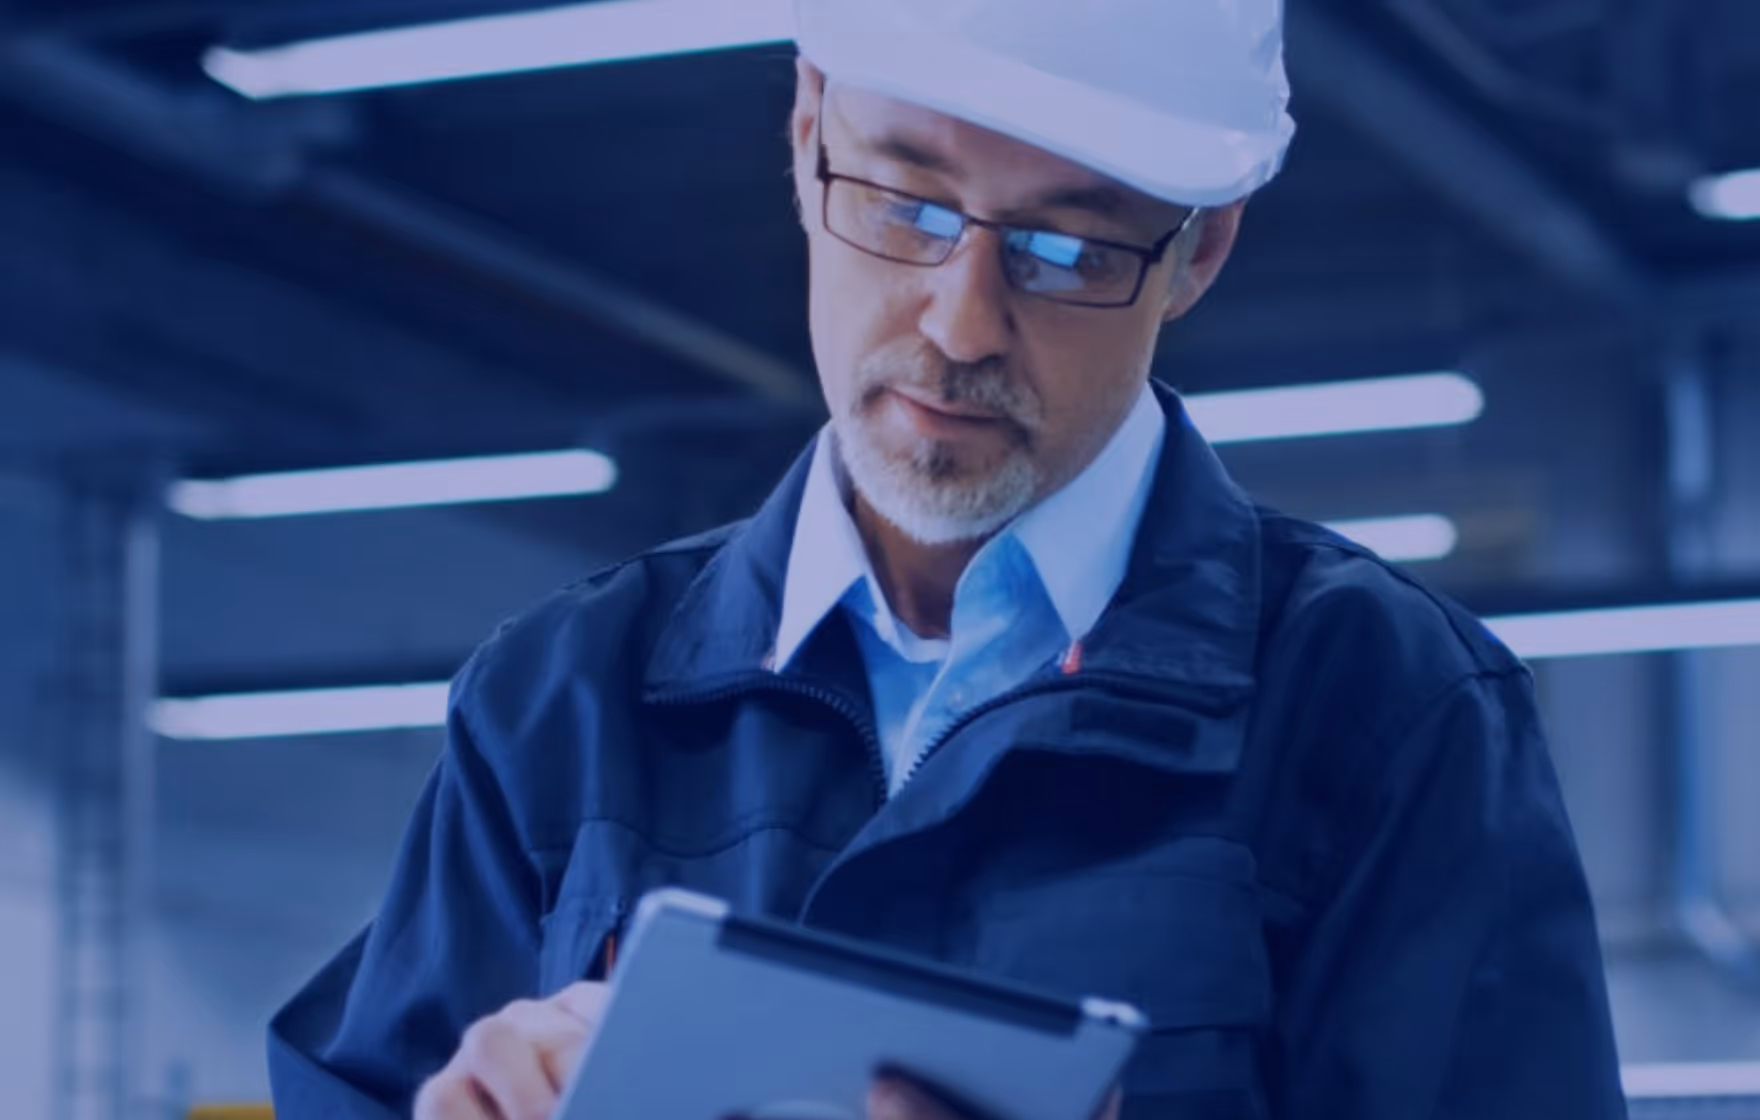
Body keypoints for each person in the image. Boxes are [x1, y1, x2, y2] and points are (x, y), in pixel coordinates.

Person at [268, 1, 1627, 1117]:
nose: (964, 321)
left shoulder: (1386, 714)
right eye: (907, 207)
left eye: (1066, 249)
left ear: (1199, 250)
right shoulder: (562, 701)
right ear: (806, 135)